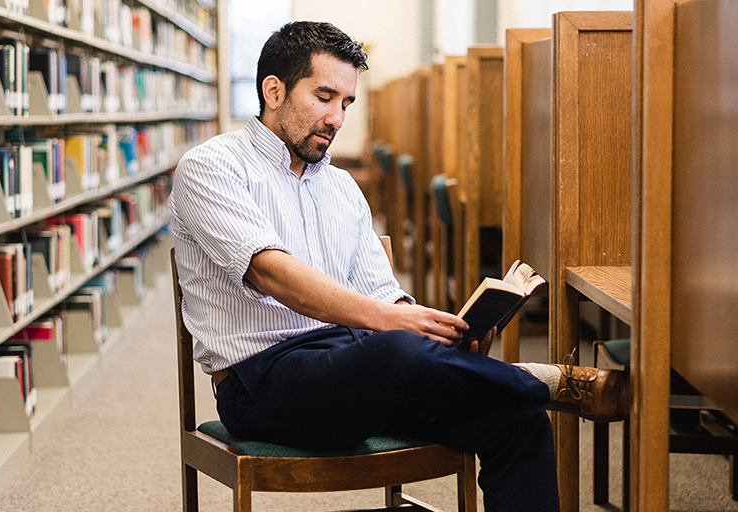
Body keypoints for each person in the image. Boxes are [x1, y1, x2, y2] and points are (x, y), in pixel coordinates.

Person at [169, 21, 630, 512]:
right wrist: (394, 326)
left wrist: (438, 331)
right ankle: (545, 382)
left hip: (364, 370)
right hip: (264, 384)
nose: (337, 118)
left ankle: (510, 385)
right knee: (395, 351)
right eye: (324, 97)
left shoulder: (343, 188)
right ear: (274, 90)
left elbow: (385, 296)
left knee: (516, 418)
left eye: (346, 103)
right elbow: (269, 272)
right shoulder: (211, 167)